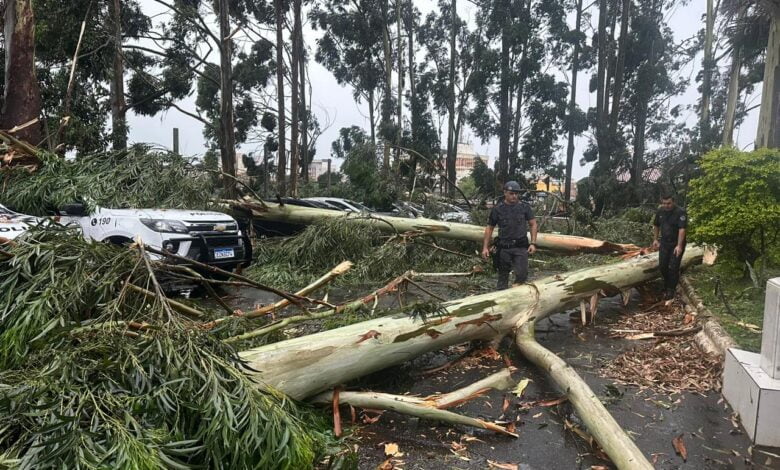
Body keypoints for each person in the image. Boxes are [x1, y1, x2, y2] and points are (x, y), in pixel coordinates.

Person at [481, 181, 538, 290]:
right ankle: (501, 300)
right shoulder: (498, 209)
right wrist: (485, 248)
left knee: (522, 274)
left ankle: (516, 296)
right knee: (502, 277)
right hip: (504, 248)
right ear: (505, 193)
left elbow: (533, 223)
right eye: (511, 193)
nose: (514, 196)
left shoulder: (524, 208)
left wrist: (533, 243)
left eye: (516, 194)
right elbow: (490, 228)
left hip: (520, 247)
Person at [652, 194, 687, 300]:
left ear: (673, 202)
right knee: (663, 266)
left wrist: (679, 246)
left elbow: (682, 229)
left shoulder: (680, 212)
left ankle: (671, 290)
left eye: (669, 203)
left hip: (676, 243)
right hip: (664, 243)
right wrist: (655, 239)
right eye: (664, 203)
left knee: (673, 267)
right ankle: (667, 285)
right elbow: (656, 225)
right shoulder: (660, 211)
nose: (666, 205)